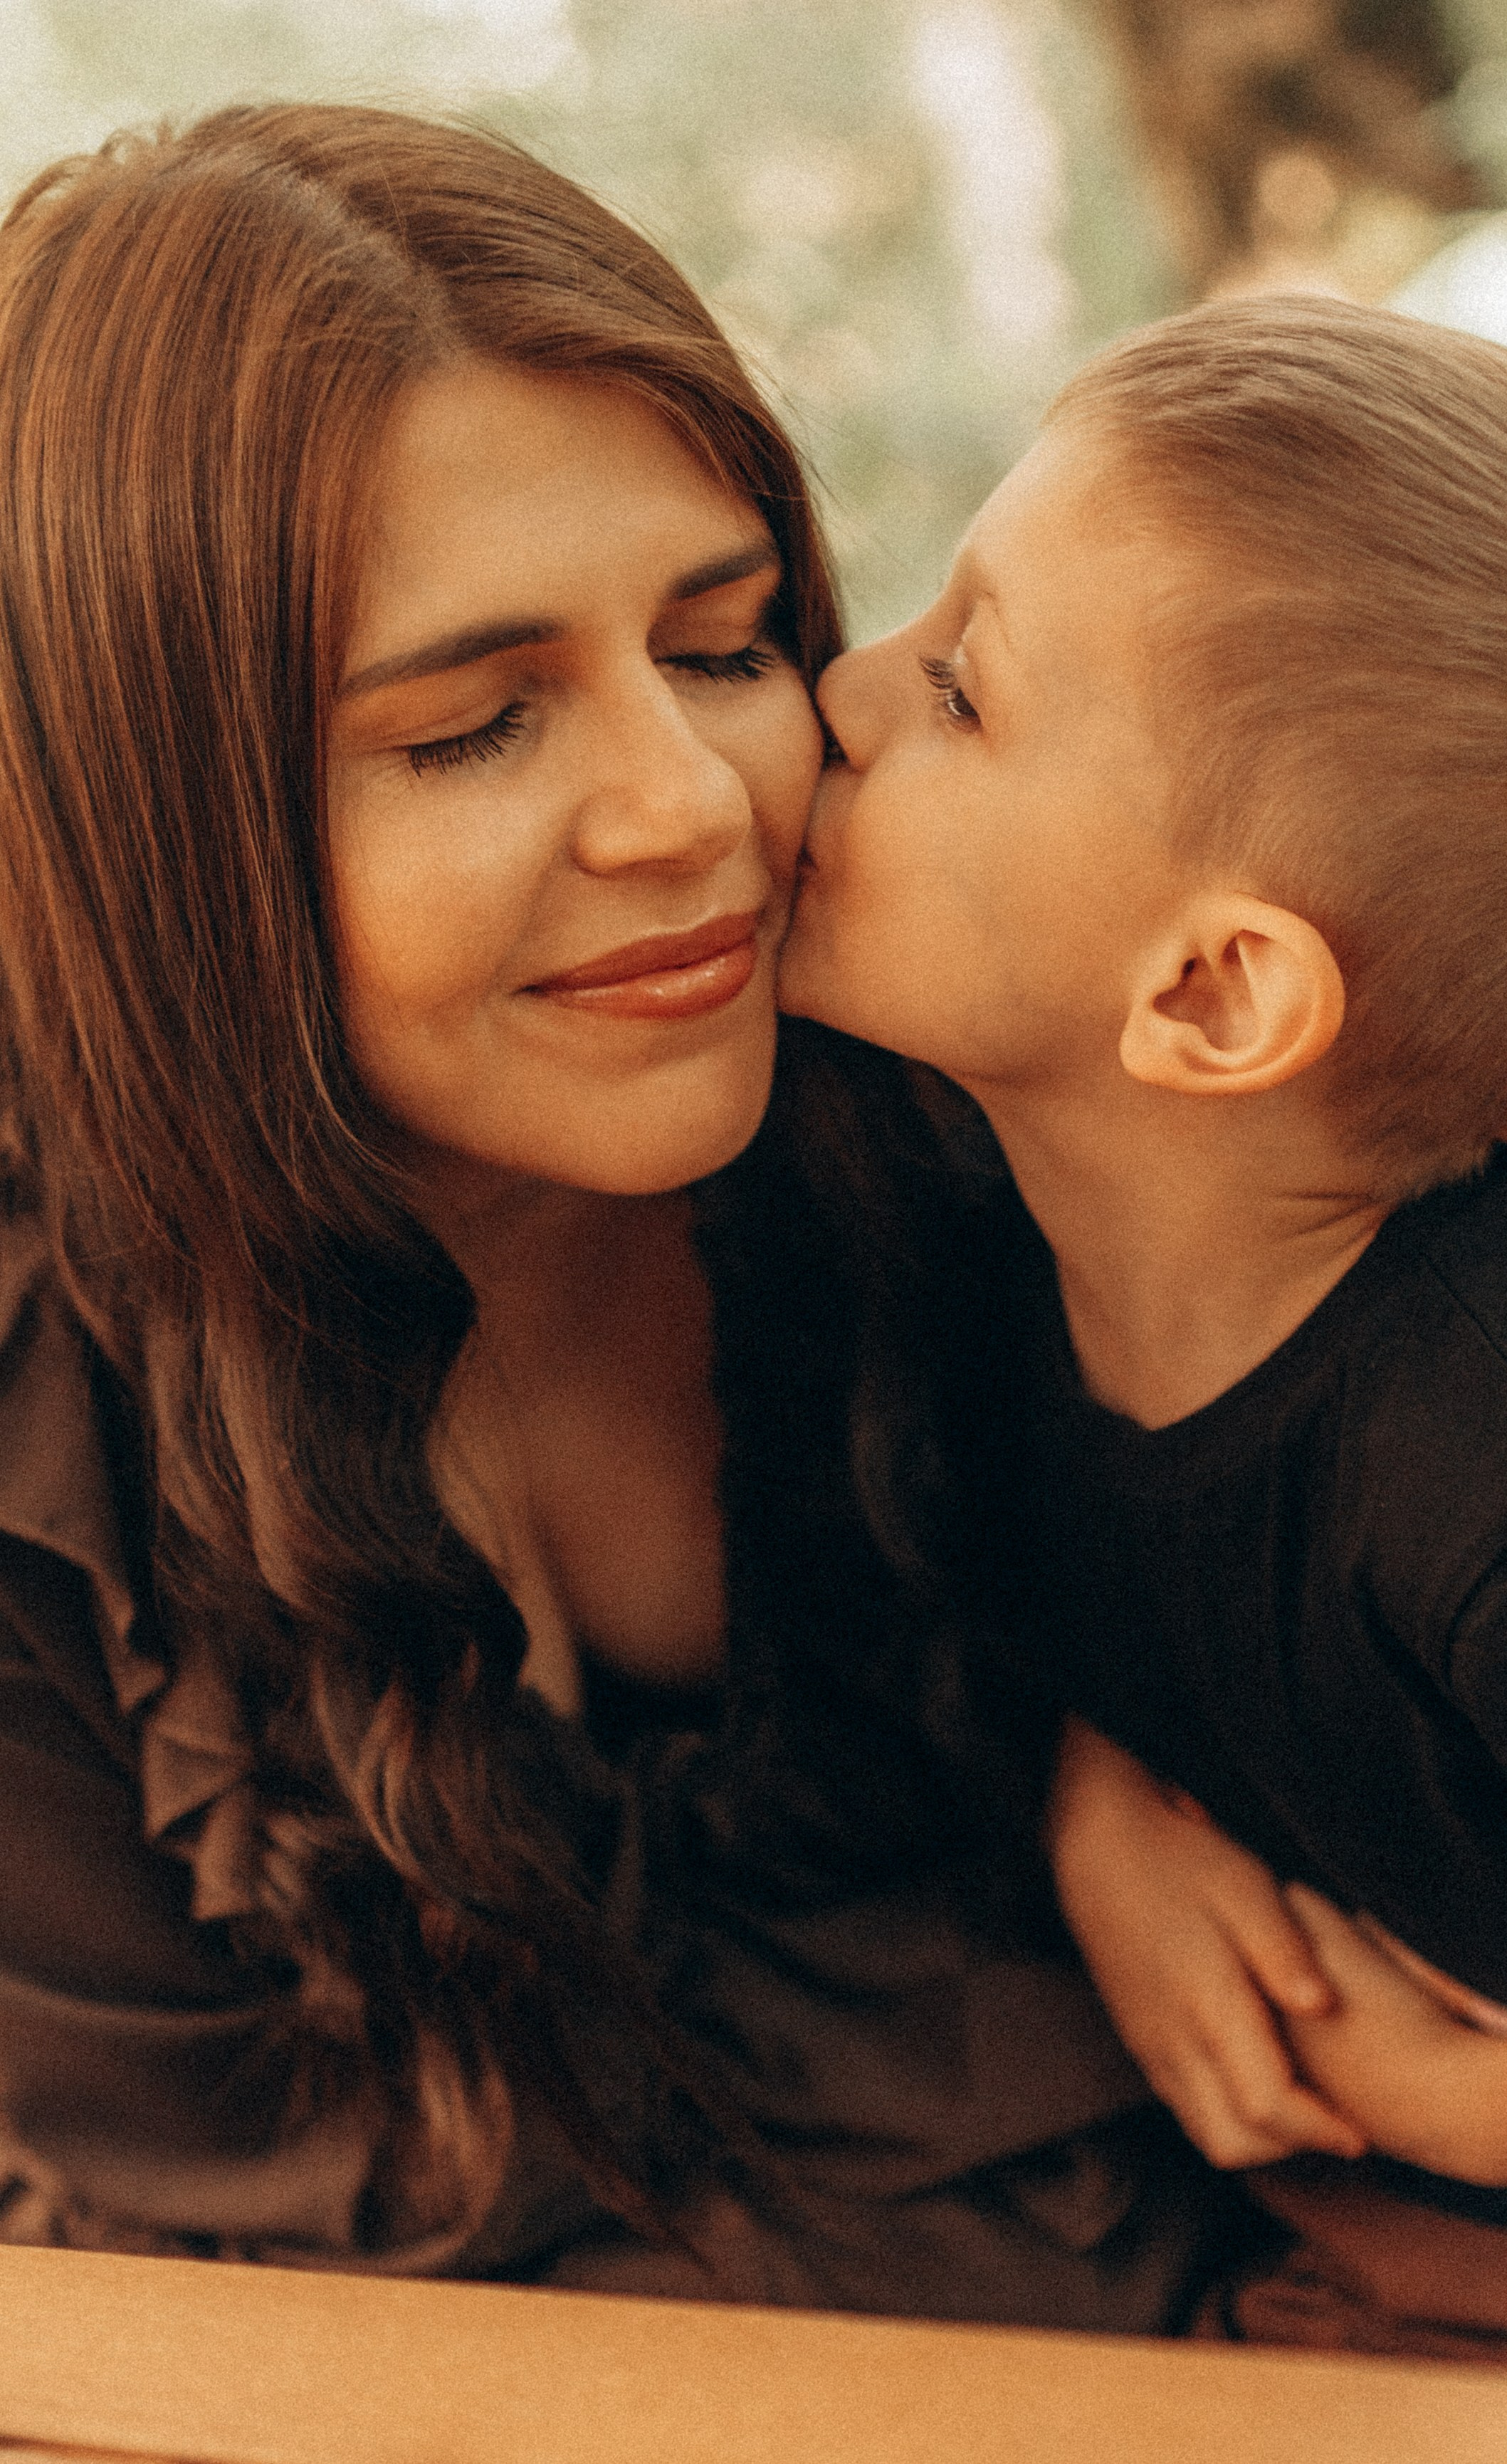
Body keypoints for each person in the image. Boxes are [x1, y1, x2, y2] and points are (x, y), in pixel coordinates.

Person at [0, 98, 1244, 2321]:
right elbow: (219, 2297)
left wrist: (1129, 1742)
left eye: (721, 644)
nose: (689, 812)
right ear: (154, 838)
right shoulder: (46, 1437)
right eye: (473, 727)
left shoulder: (961, 1074)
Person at [779, 292, 1507, 2368]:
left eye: (961, 686)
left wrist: (1465, 2108)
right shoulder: (977, 1223)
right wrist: (1105, 1801)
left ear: (1209, 1000)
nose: (838, 683)